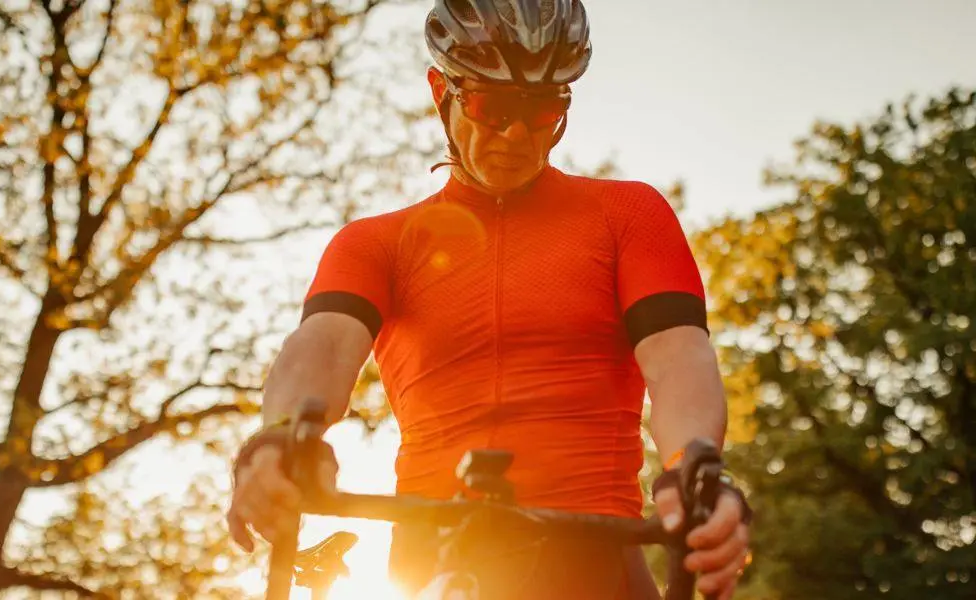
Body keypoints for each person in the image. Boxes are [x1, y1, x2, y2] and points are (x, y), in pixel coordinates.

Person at [227, 0, 752, 598]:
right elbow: (323, 342)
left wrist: (693, 466)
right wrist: (283, 435)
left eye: (544, 109)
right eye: (493, 105)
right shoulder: (376, 243)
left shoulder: (627, 214)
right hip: (433, 557)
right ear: (440, 91)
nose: (518, 134)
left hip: (594, 555)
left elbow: (678, 354)